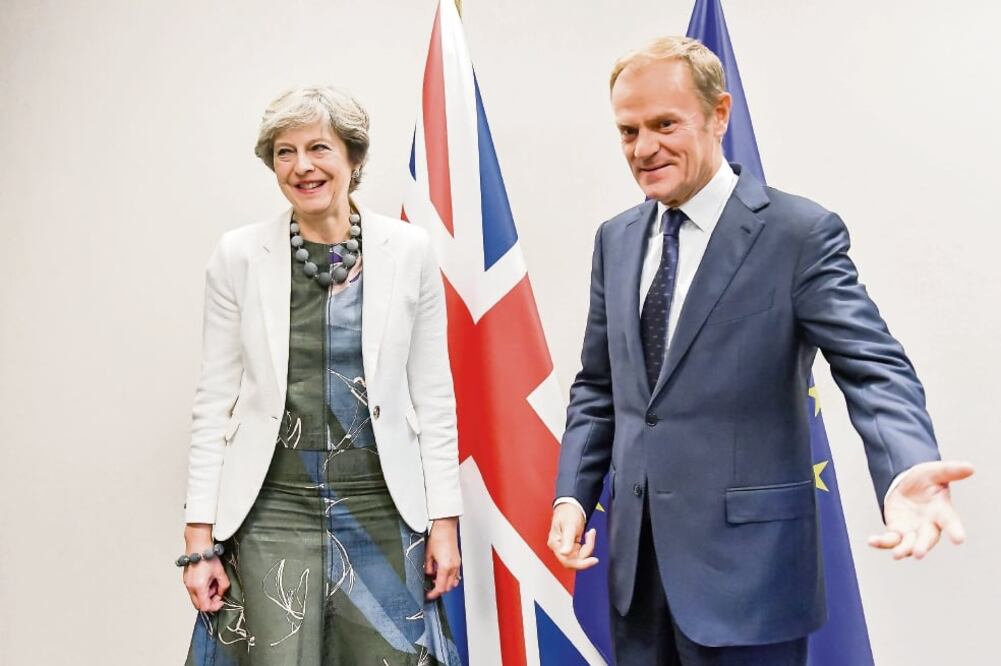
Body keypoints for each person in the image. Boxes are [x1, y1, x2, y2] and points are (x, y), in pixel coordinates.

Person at [548, 37, 974, 665]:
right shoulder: (615, 239)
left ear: (719, 115)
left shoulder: (797, 233)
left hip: (751, 581)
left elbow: (874, 364)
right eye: (628, 130)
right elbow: (599, 386)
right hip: (638, 579)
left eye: (665, 124)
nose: (644, 149)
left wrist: (905, 466)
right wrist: (573, 495)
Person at [179, 86, 462, 665]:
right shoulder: (237, 256)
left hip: (382, 506)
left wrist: (445, 521)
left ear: (353, 159)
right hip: (272, 512)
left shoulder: (409, 252)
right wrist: (198, 537)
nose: (302, 166)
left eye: (318, 148)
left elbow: (434, 397)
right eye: (285, 152)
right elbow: (214, 403)